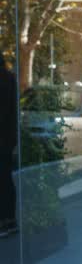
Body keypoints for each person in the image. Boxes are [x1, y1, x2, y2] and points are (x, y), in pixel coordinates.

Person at [0, 53, 18, 238]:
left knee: (3, 179)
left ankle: (6, 221)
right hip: (7, 138)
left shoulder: (5, 80)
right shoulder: (9, 77)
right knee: (5, 178)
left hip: (3, 138)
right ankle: (9, 220)